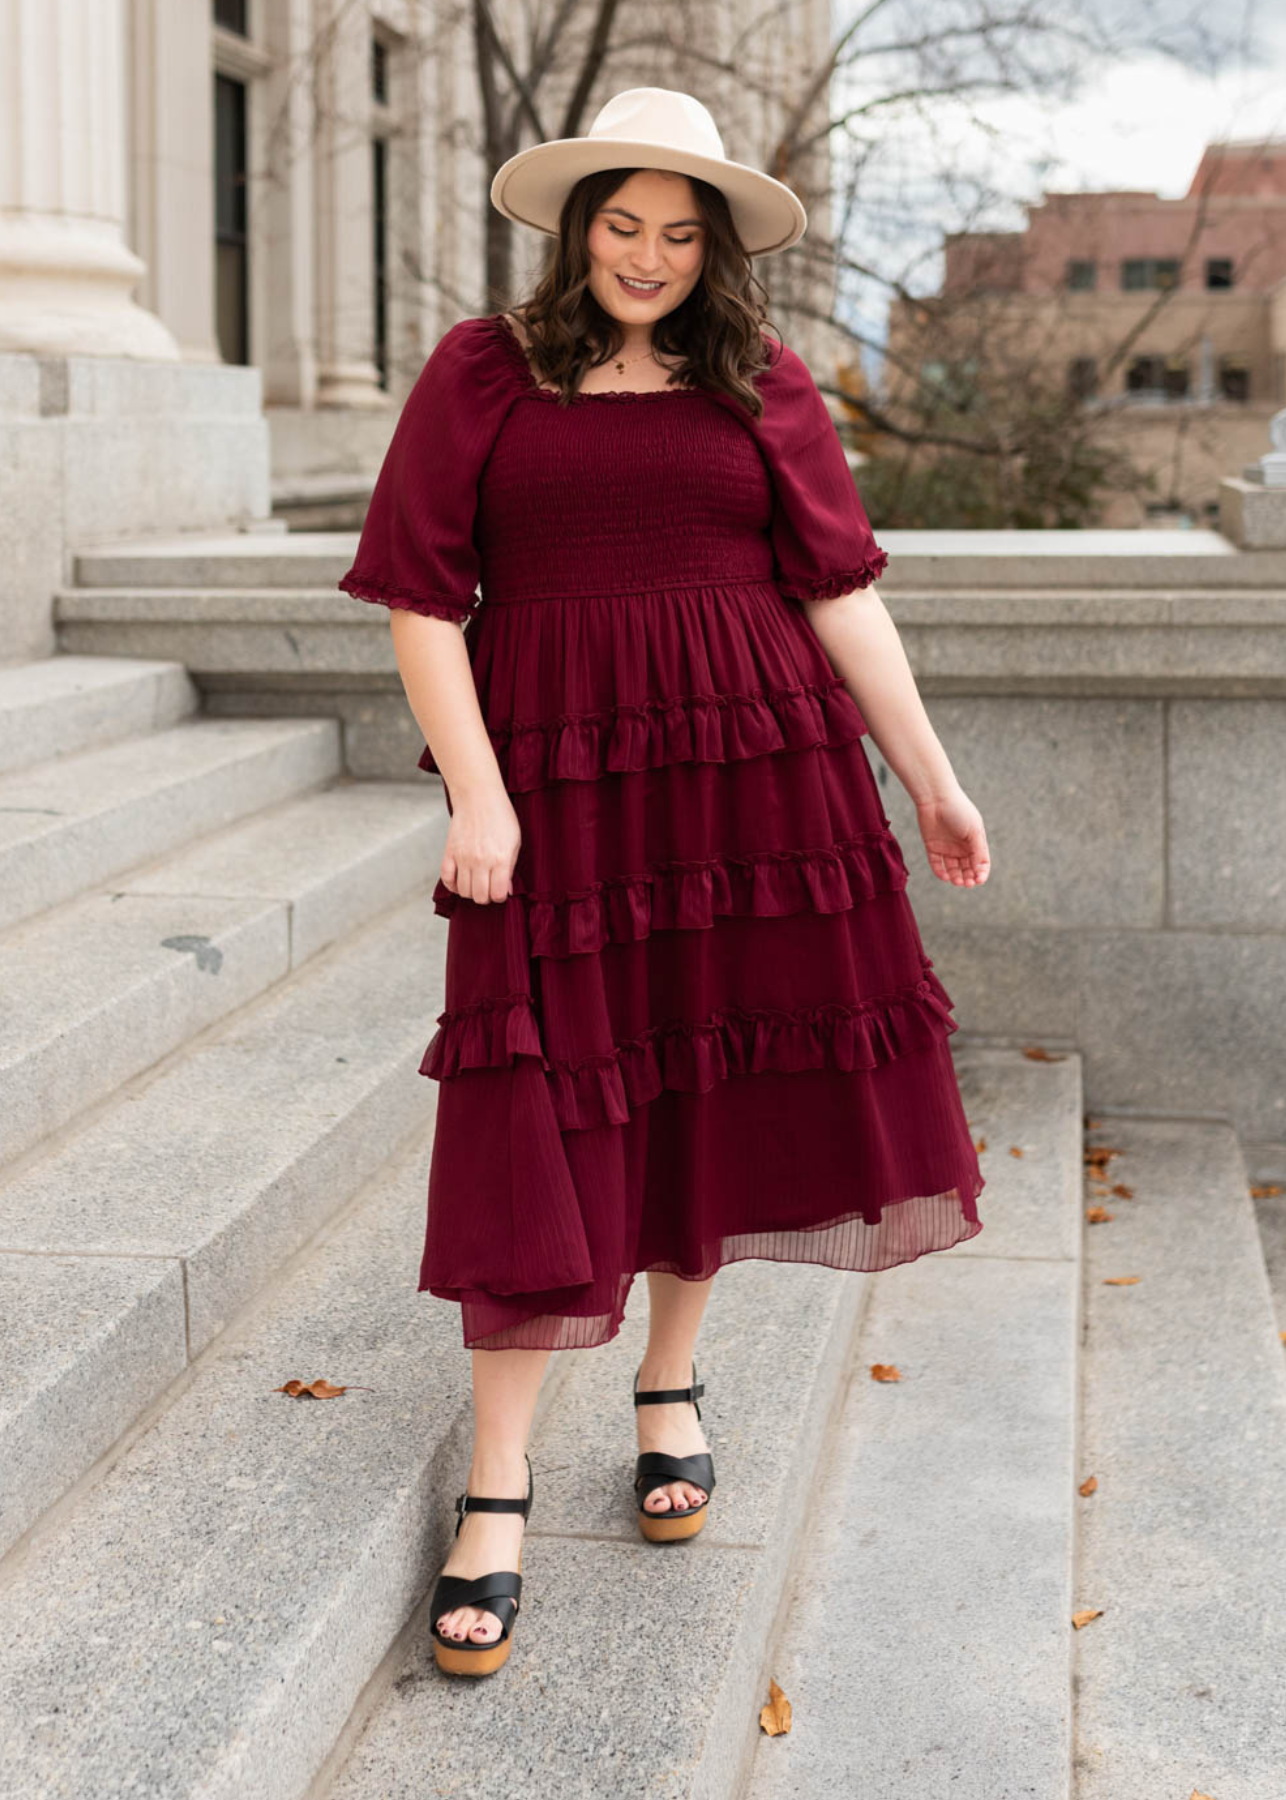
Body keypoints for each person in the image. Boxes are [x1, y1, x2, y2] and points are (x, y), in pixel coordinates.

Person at [339, 87, 991, 1677]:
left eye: (679, 232)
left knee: (698, 1081)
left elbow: (838, 593)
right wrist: (476, 796)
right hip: (553, 787)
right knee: (535, 1100)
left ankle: (667, 1390)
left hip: (752, 773)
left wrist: (927, 773)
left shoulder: (759, 385)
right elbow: (422, 603)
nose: (646, 256)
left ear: (717, 250)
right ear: (578, 230)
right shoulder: (481, 372)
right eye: (622, 226)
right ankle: (495, 1487)